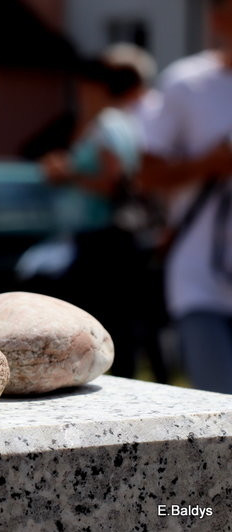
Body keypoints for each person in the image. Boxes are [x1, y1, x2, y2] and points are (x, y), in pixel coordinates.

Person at [39, 45, 163, 380]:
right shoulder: (122, 121)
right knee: (122, 318)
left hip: (102, 239)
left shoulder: (106, 123)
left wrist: (67, 173)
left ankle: (112, 380)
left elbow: (111, 181)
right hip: (113, 238)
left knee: (105, 318)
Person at [138, 0, 232, 394]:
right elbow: (146, 174)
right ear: (217, 16)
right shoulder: (186, 83)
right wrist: (208, 164)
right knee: (220, 412)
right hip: (201, 280)